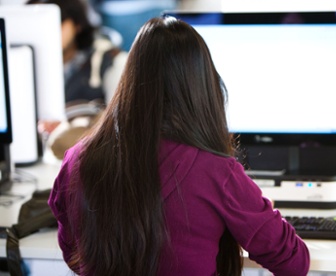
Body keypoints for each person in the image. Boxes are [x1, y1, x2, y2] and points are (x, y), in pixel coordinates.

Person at [49, 16, 310, 275]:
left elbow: (72, 250)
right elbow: (294, 262)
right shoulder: (216, 172)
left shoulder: (76, 160)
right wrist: (263, 209)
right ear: (203, 87)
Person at [27, 0, 127, 134]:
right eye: (35, 26)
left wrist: (70, 127)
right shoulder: (23, 68)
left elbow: (123, 122)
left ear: (77, 24)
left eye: (56, 24)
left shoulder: (110, 60)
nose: (45, 33)